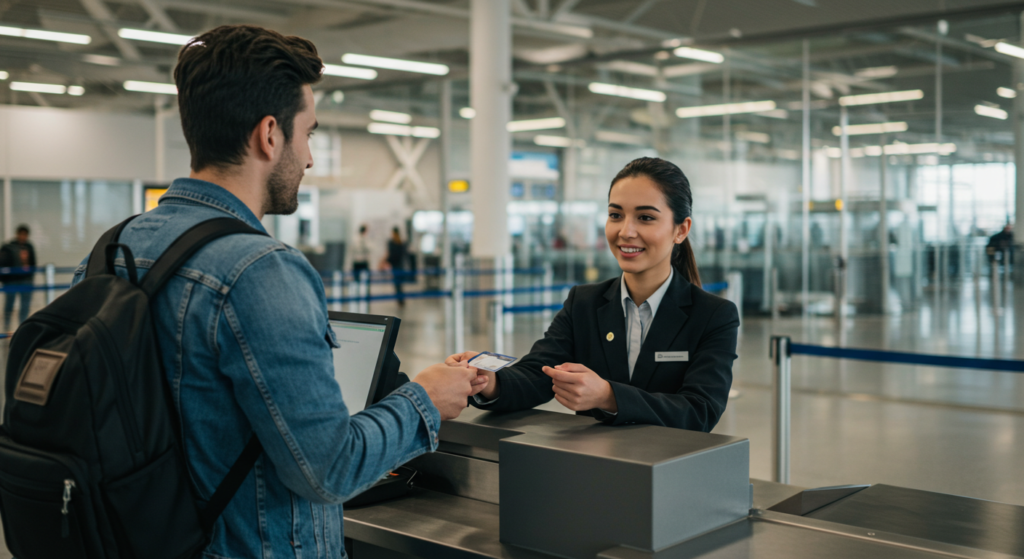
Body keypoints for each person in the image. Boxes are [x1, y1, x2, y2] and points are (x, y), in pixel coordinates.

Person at [70, 25, 487, 559]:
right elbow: (330, 470)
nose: (309, 158)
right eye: (308, 133)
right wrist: (424, 399)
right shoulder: (261, 271)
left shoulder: (112, 249)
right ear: (269, 135)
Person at [448, 157, 739, 431]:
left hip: (671, 472)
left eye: (645, 218)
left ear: (681, 229)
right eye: (616, 215)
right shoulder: (584, 303)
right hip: (594, 470)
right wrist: (489, 380)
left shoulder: (713, 315)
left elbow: (700, 411)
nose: (626, 231)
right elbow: (539, 373)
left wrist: (609, 397)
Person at [0, 224, 37, 331]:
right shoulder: (9, 247)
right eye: (21, 234)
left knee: (25, 306)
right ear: (17, 234)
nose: (23, 237)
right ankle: (6, 328)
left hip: (26, 281)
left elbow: (33, 263)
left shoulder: (29, 247)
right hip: (12, 281)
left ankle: (22, 328)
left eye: (25, 235)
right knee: (9, 305)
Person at [382, 226, 408, 307]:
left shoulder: (393, 242)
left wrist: (385, 261)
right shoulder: (401, 243)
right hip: (400, 265)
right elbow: (404, 255)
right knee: (399, 285)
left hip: (396, 265)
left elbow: (391, 254)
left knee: (397, 285)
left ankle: (400, 301)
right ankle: (401, 300)